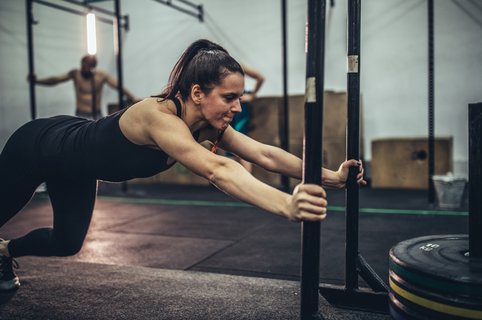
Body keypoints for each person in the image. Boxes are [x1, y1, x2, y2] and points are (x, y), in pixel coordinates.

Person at [0, 39, 365, 291]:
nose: (237, 108)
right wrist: (286, 204)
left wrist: (334, 177)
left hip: (74, 168)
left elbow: (264, 154)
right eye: (229, 98)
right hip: (37, 146)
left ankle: (2, 252)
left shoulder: (206, 125)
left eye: (239, 97)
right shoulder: (156, 117)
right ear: (196, 93)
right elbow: (219, 170)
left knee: (66, 243)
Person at [28, 55, 137, 120]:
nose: (83, 68)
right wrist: (37, 81)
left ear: (92, 68)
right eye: (82, 65)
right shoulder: (75, 74)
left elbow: (118, 87)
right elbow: (56, 80)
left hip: (96, 113)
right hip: (80, 113)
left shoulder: (101, 76)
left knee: (98, 140)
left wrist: (132, 98)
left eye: (86, 67)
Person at [225, 64, 264, 173]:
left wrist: (251, 95)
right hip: (226, 106)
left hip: (240, 106)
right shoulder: (219, 68)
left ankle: (249, 179)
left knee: (240, 139)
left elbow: (260, 77)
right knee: (226, 139)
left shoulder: (237, 66)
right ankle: (230, 179)